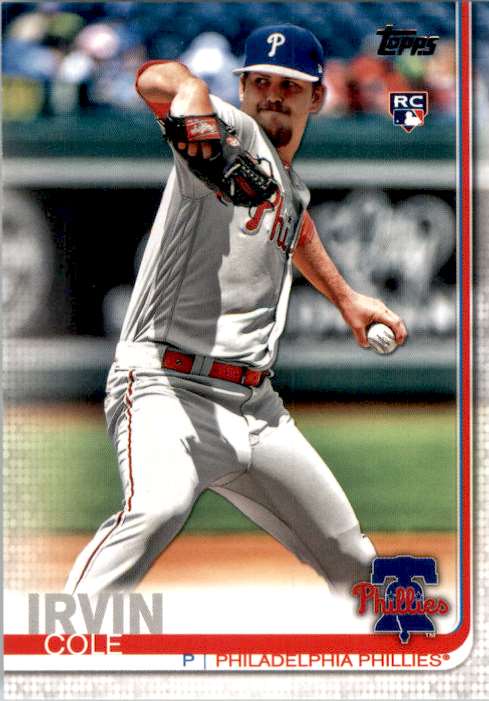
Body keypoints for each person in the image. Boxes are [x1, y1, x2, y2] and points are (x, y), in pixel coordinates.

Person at [65, 24, 407, 597]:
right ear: (242, 88)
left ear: (316, 97)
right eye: (260, 82)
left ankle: (397, 650)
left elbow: (295, 227)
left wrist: (347, 298)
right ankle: (64, 640)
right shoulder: (234, 131)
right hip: (166, 388)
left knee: (350, 554)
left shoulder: (290, 187)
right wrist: (192, 91)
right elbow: (156, 79)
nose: (273, 94)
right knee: (157, 507)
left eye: (289, 85)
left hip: (256, 407)